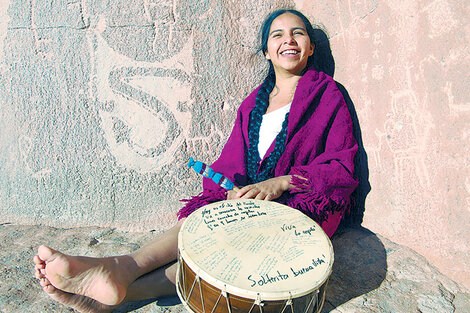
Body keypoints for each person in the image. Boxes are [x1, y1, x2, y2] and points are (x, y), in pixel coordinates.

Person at [33, 9, 358, 312]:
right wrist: (229, 192)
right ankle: (121, 275)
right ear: (267, 51)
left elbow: (341, 164)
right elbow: (231, 161)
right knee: (210, 218)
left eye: (297, 33)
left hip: (302, 202)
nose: (288, 39)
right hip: (254, 202)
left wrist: (283, 182)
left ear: (311, 48)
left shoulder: (328, 94)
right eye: (277, 35)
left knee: (230, 238)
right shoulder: (252, 105)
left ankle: (120, 284)